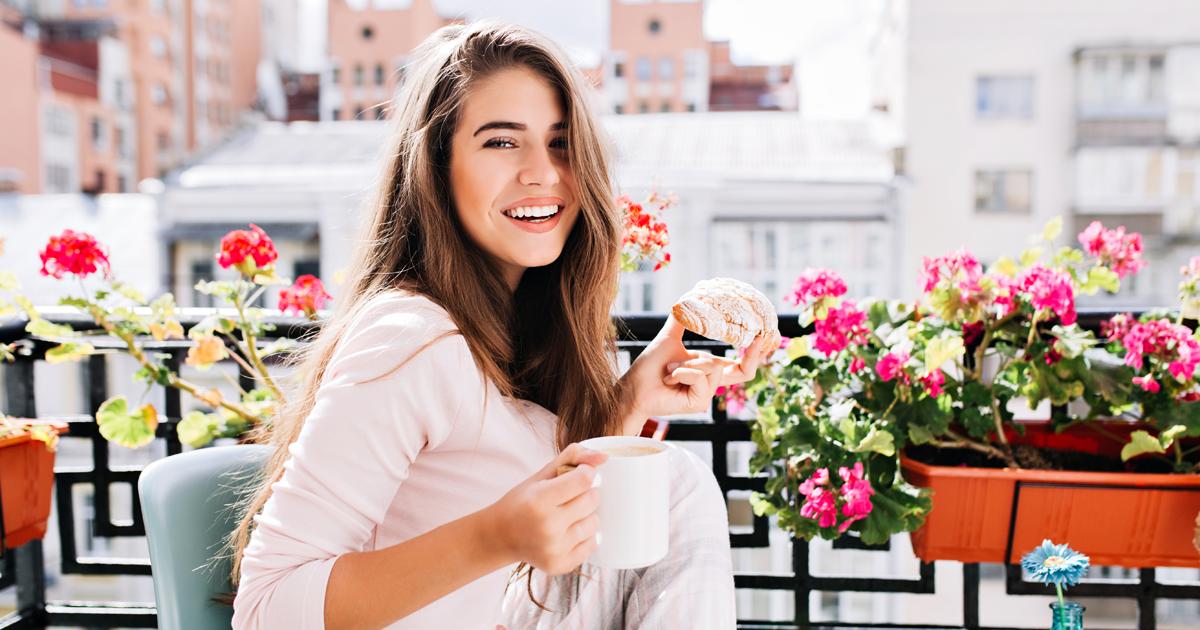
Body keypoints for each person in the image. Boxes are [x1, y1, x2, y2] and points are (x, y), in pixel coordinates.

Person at [228, 20, 771, 630]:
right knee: (678, 485)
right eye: (501, 142)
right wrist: (493, 537)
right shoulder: (407, 337)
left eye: (561, 142)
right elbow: (266, 609)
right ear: (436, 167)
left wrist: (633, 395)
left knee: (670, 482)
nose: (543, 172)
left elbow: (526, 508)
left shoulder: (525, 325)